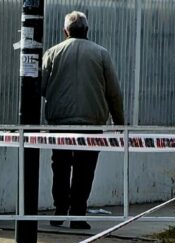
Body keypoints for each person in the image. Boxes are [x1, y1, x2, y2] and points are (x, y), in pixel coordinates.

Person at [42, 11, 124, 229]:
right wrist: (119, 123)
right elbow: (114, 92)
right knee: (84, 169)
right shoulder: (101, 54)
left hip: (60, 124)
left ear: (65, 31)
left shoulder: (52, 53)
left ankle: (60, 209)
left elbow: (38, 88)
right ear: (87, 30)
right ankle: (78, 214)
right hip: (91, 124)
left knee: (60, 167)